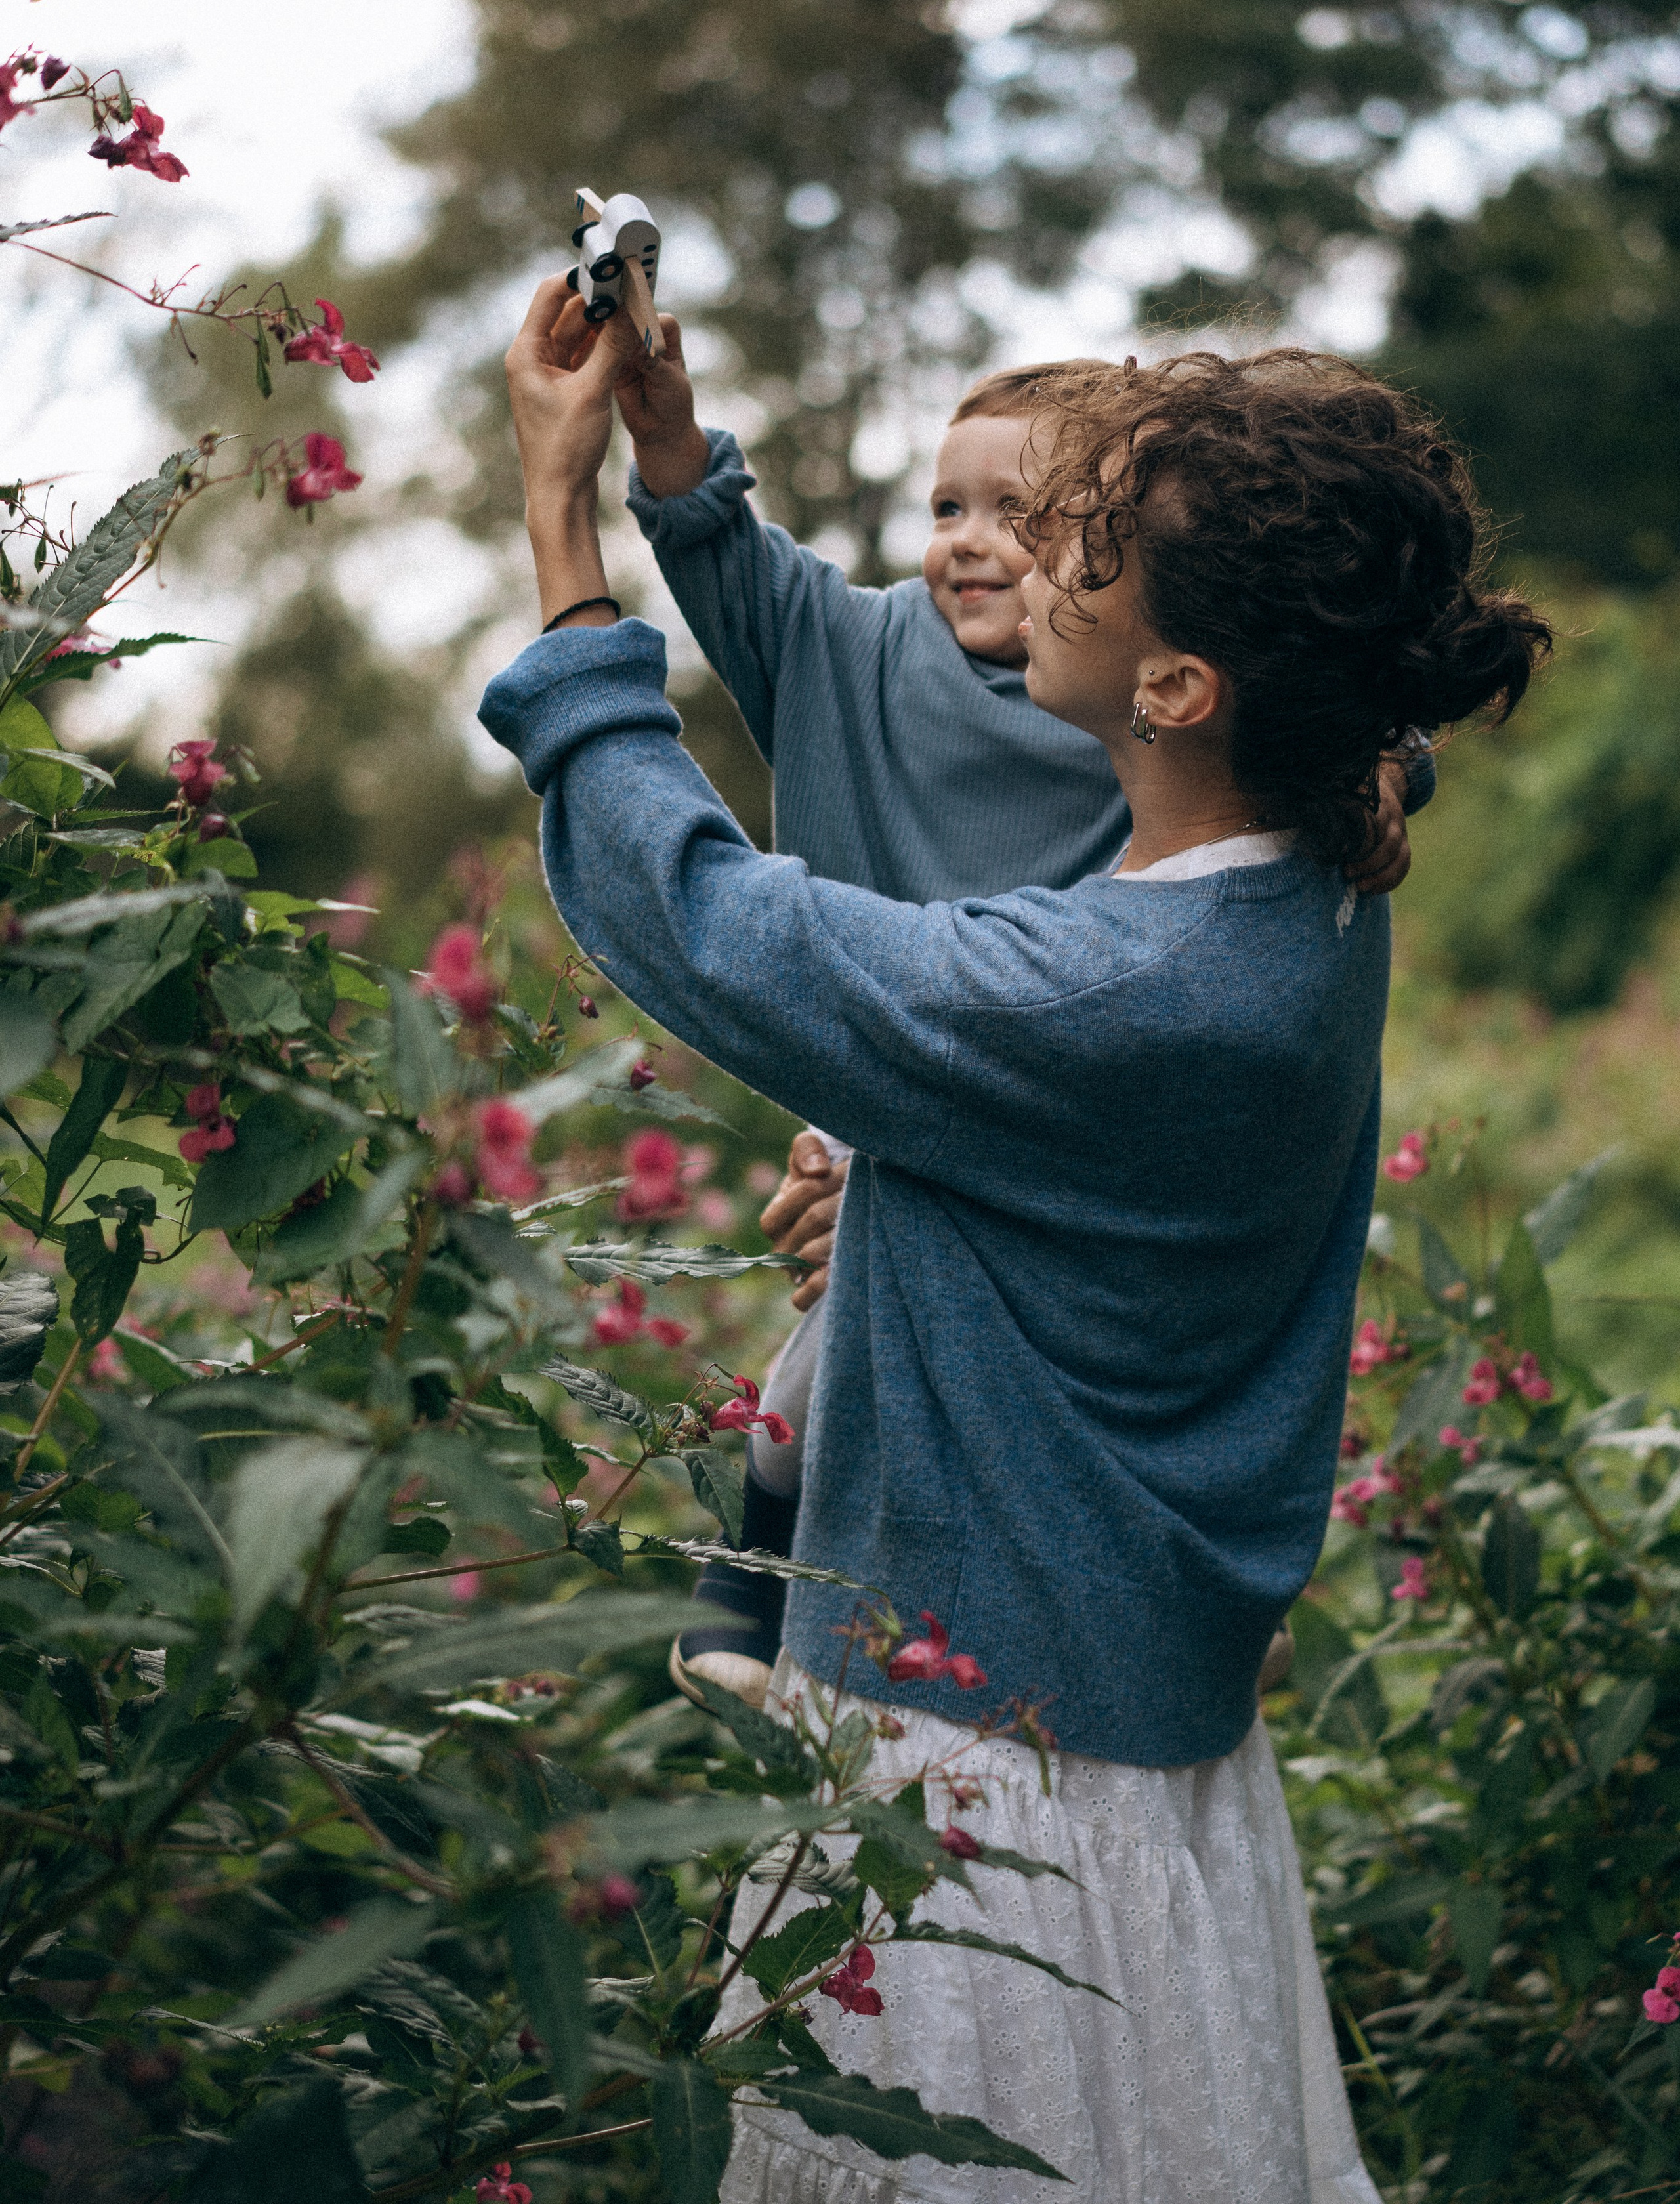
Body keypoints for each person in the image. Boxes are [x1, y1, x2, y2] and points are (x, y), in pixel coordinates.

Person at [480, 280, 1548, 2201]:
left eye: (1084, 544)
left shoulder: (1111, 986)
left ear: (1178, 688)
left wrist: (565, 521)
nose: (1025, 560)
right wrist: (907, 1173)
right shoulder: (1308, 884)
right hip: (1132, 1746)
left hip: (981, 1776)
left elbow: (707, 917)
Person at [619, 346, 1435, 1703]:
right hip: (895, 1058)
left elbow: (1293, 687)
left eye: (1026, 515)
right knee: (841, 1360)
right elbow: (717, 550)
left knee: (1158, 1343)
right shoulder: (855, 648)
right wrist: (663, 427)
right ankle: (757, 1577)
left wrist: (1387, 761)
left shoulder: (1123, 692)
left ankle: (1186, 1599)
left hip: (1074, 1090)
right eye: (947, 508)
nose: (973, 542)